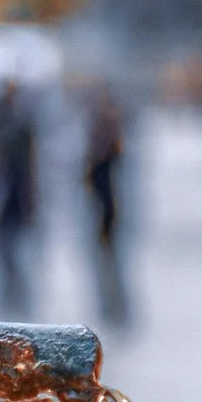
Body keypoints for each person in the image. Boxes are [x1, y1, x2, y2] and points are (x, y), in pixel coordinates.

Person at [0, 79, 39, 319]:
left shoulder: (20, 129)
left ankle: (17, 295)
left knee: (11, 250)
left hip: (15, 198)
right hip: (6, 200)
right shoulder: (0, 127)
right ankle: (12, 294)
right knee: (4, 250)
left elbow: (29, 167)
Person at [83, 82, 132, 326]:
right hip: (104, 211)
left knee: (111, 263)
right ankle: (112, 308)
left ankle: (116, 309)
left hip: (108, 212)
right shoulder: (105, 147)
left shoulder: (108, 151)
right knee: (107, 264)